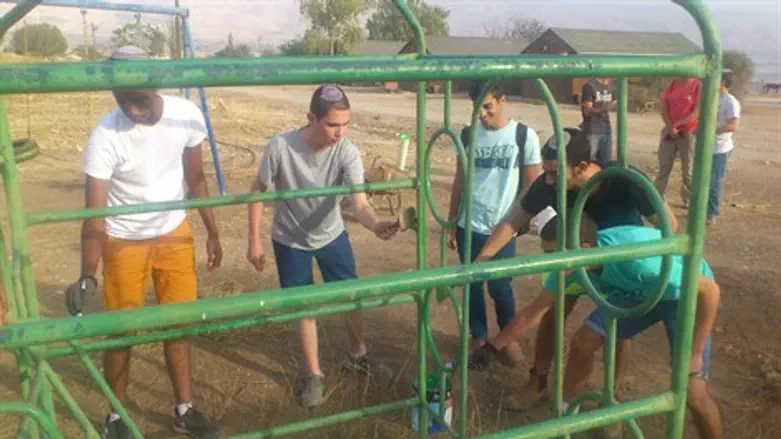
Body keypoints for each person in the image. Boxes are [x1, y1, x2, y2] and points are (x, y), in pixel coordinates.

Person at [467, 127, 679, 410]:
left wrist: (642, 263)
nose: (548, 180)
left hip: (619, 261)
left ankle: (612, 395)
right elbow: (513, 221)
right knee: (552, 310)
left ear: (581, 166)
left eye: (555, 173)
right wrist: (481, 261)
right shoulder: (549, 184)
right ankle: (538, 381)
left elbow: (669, 225)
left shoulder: (624, 180)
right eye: (546, 171)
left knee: (617, 326)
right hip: (576, 252)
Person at [71, 46, 223, 439]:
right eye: (122, 101)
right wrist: (88, 273)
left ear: (155, 86)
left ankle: (184, 410)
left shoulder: (185, 115)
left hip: (174, 231)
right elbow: (94, 216)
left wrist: (212, 231)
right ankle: (115, 416)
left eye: (138, 100)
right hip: (124, 239)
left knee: (178, 324)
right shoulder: (105, 136)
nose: (132, 111)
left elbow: (196, 177)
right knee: (123, 331)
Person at [246, 84, 400, 408]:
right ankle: (314, 373)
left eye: (346, 124)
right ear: (311, 118)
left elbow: (359, 202)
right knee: (305, 305)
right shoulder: (280, 146)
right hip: (289, 239)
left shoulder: (346, 151)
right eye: (332, 124)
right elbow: (257, 188)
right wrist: (254, 240)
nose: (340, 132)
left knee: (349, 295)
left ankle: (358, 353)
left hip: (331, 234)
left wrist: (375, 225)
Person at [557, 224, 723, 439]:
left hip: (681, 296)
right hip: (641, 290)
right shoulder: (576, 262)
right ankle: (567, 412)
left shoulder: (638, 262)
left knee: (693, 393)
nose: (553, 261)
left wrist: (696, 352)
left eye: (558, 254)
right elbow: (541, 306)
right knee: (584, 341)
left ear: (585, 248)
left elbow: (710, 290)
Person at [446, 81, 542, 360]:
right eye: (477, 108)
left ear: (501, 100)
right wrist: (452, 220)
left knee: (500, 286)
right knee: (472, 284)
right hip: (469, 224)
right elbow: (460, 180)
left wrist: (517, 221)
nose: (482, 114)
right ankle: (478, 335)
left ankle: (506, 339)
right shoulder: (467, 136)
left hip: (503, 227)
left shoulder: (523, 136)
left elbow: (532, 184)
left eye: (487, 106)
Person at [654, 77, 702, 206]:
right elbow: (663, 107)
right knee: (664, 165)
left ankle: (688, 200)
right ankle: (657, 197)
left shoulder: (697, 85)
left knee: (688, 168)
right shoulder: (672, 83)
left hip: (688, 131)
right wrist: (670, 127)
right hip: (670, 130)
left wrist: (677, 125)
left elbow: (696, 111)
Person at [708, 70, 741, 225]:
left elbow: (733, 126)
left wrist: (713, 131)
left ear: (722, 82)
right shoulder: (714, 98)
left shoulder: (731, 102)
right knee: (704, 179)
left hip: (720, 147)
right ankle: (704, 209)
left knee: (714, 181)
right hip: (708, 146)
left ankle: (712, 212)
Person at [580, 77, 617, 165]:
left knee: (605, 166)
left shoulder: (612, 86)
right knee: (585, 164)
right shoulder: (590, 86)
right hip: (592, 131)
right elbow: (587, 111)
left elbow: (614, 104)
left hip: (606, 131)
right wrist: (605, 109)